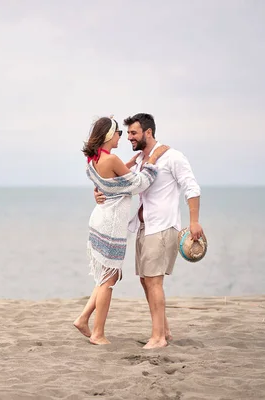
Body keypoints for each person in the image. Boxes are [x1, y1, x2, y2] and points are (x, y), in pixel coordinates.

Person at [93, 113, 203, 349]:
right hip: (144, 227)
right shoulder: (143, 159)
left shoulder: (172, 157)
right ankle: (165, 331)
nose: (128, 138)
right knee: (146, 281)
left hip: (162, 228)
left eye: (133, 133)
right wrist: (99, 192)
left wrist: (194, 221)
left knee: (154, 282)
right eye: (127, 133)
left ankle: (158, 338)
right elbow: (122, 183)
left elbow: (191, 187)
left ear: (148, 133)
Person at [74, 116, 170, 345]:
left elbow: (106, 182)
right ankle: (98, 333)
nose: (121, 137)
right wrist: (153, 161)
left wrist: (124, 167)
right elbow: (138, 184)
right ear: (109, 135)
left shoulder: (93, 159)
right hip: (111, 225)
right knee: (109, 279)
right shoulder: (112, 159)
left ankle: (83, 318)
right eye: (118, 133)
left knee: (108, 274)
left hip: (100, 220)